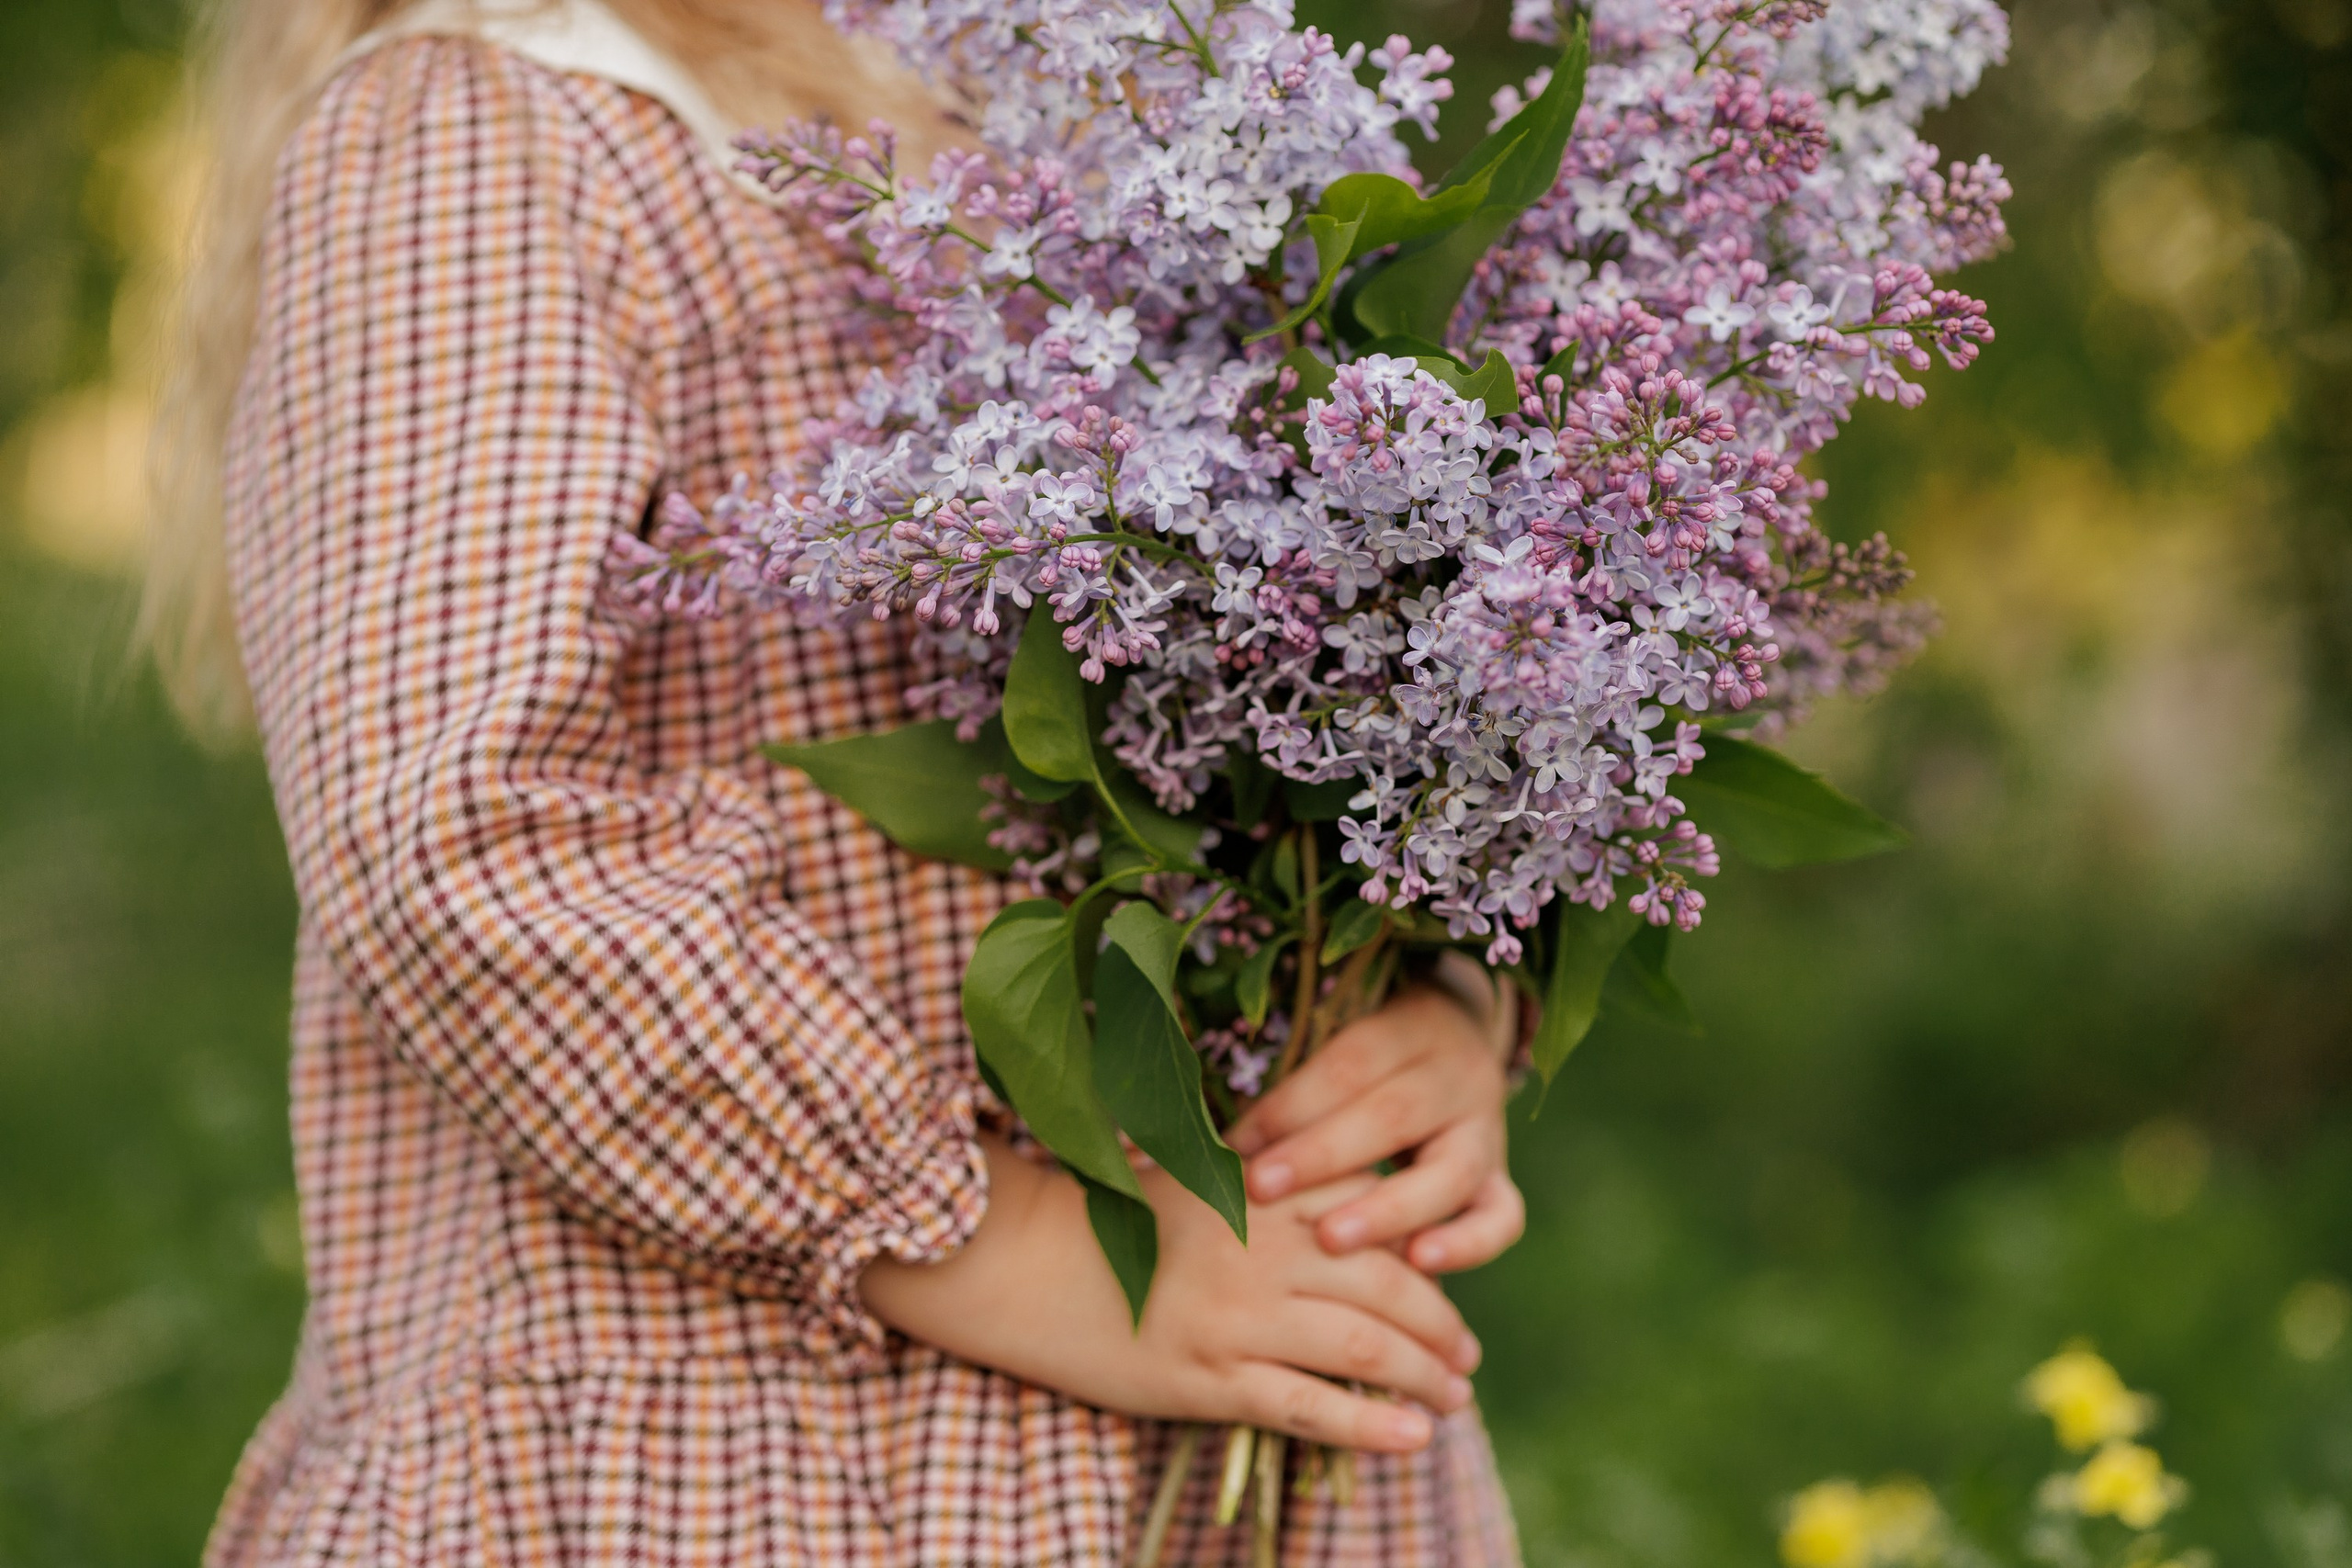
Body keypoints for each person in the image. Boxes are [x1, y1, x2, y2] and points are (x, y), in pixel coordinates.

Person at [141, 0, 1529, 1560]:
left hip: (1252, 1388)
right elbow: (468, 844)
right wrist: (1009, 1245)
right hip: (754, 1454)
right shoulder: (492, 123)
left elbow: (1304, 660)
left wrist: (1435, 997)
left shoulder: (1064, 103)